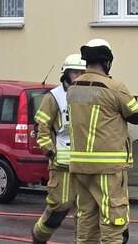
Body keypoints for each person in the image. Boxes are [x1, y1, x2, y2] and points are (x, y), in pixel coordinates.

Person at [68, 38, 138, 244]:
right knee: (113, 223)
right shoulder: (114, 87)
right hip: (107, 168)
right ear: (107, 61)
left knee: (86, 220)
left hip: (80, 167)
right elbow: (137, 116)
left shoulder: (73, 88)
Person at [31, 53, 87, 244]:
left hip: (86, 163)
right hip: (61, 164)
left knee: (85, 211)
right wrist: (49, 150)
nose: (79, 77)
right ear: (66, 73)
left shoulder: (89, 95)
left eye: (83, 73)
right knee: (59, 208)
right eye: (75, 73)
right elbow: (41, 127)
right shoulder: (54, 97)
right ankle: (39, 236)